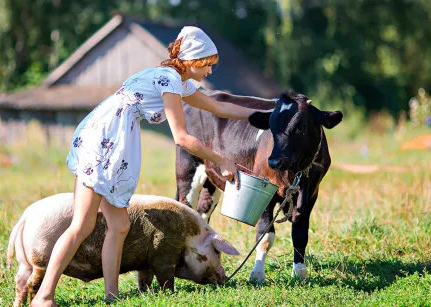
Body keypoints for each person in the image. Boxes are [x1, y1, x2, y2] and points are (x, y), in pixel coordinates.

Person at [30, 26, 266, 306]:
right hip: (105, 138)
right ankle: (43, 297)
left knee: (119, 225)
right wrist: (222, 160)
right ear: (192, 60)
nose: (211, 72)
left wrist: (269, 113)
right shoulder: (168, 79)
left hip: (117, 138)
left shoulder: (178, 83)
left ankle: (111, 297)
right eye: (208, 64)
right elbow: (181, 137)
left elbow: (221, 108)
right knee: (82, 225)